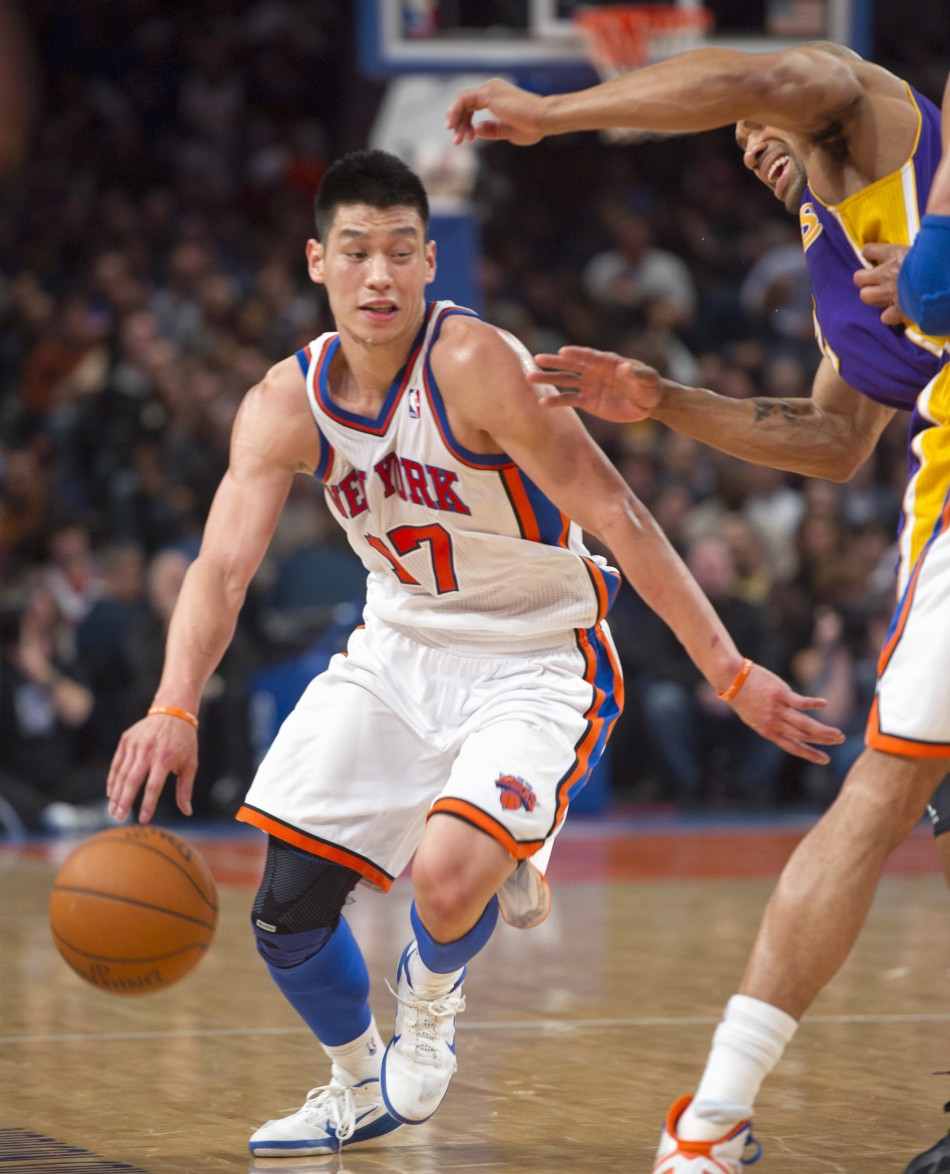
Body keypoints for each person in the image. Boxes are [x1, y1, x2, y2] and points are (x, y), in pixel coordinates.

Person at [105, 149, 841, 1160]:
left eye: (398, 250)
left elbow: (619, 514)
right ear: (316, 261)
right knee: (283, 914)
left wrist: (730, 671)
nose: (377, 274)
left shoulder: (476, 365)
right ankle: (356, 1083)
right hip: (399, 644)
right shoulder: (285, 401)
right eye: (355, 251)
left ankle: (432, 994)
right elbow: (222, 571)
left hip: (538, 652)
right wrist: (173, 703)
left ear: (429, 262)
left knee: (446, 879)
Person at [447, 43, 950, 1171]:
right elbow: (834, 438)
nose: (752, 144)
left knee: (881, 792)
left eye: (756, 125)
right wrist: (664, 400)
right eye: (737, 141)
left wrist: (553, 113)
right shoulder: (832, 257)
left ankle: (711, 1124)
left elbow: (757, 81)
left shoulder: (864, 120)